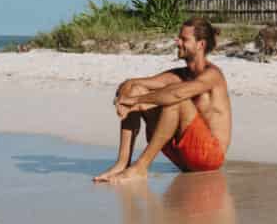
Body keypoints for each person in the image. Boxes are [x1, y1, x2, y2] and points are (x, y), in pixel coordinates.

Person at [92, 20, 233, 184]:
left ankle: (141, 167)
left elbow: (177, 94)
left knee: (176, 100)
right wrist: (124, 102)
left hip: (208, 157)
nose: (177, 42)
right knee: (136, 89)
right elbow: (130, 84)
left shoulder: (213, 75)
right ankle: (122, 163)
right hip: (182, 157)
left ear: (200, 44)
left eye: (183, 39)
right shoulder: (178, 75)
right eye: (178, 38)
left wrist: (136, 102)